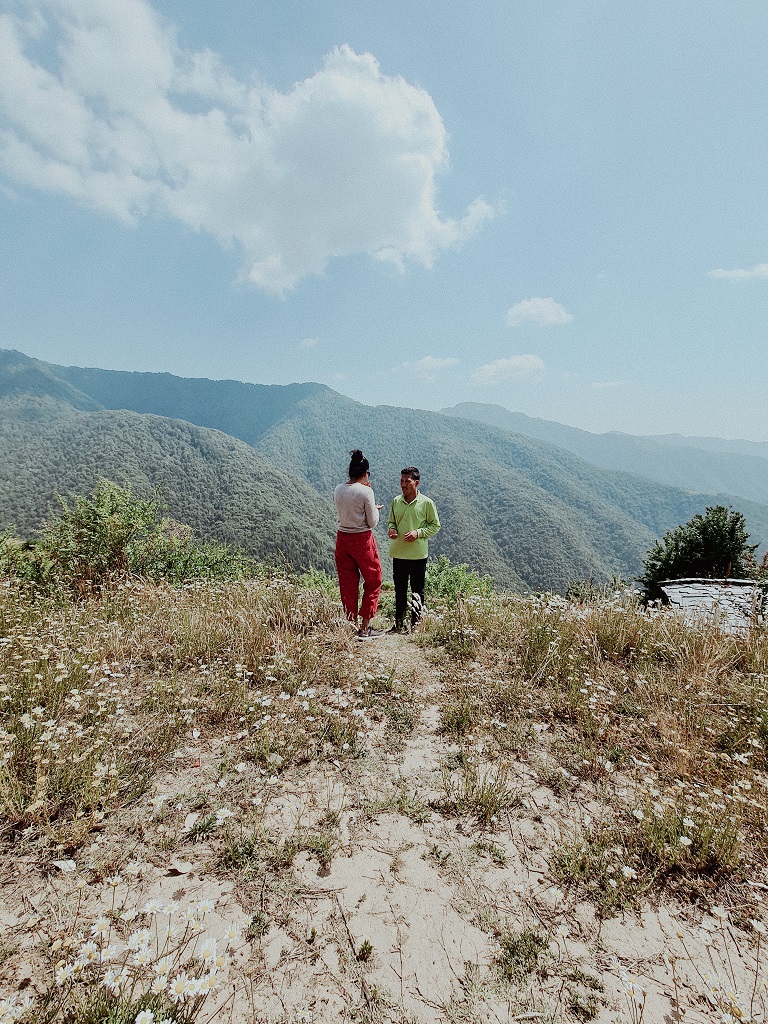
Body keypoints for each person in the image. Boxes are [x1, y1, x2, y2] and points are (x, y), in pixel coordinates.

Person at [334, 449, 384, 640]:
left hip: (342, 539)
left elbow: (347, 512)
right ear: (366, 474)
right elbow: (372, 522)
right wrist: (375, 509)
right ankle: (364, 628)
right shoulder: (366, 491)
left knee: (348, 583)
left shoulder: (339, 489)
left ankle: (350, 624)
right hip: (361, 540)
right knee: (373, 579)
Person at [387, 467, 440, 632]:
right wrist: (392, 530)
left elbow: (435, 526)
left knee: (418, 592)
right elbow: (391, 522)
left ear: (416, 483)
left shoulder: (427, 503)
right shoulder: (396, 501)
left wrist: (418, 532)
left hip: (418, 556)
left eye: (407, 481)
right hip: (399, 553)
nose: (403, 484)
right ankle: (399, 624)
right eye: (402, 481)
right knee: (400, 592)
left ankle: (416, 625)